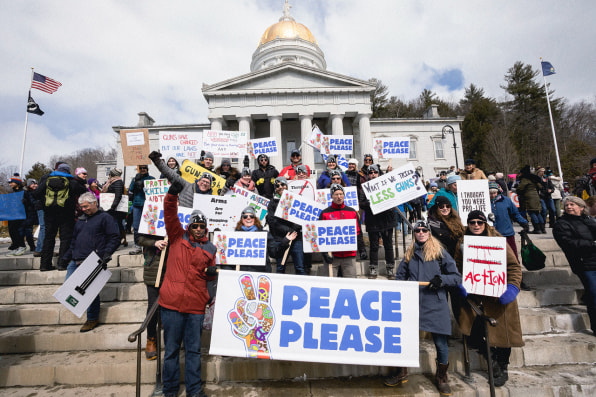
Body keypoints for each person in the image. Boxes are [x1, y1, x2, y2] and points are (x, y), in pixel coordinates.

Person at [385, 220, 461, 395]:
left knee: (441, 343)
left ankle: (442, 376)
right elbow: (400, 277)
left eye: (424, 230)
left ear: (429, 232)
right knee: (404, 339)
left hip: (435, 302)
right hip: (413, 302)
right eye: (417, 230)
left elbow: (456, 277)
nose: (420, 232)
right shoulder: (409, 253)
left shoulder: (440, 252)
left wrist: (441, 279)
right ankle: (401, 371)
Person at [159, 180, 216, 397]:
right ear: (189, 226)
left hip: (195, 307)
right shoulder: (176, 236)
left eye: (202, 226)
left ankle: (194, 390)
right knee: (172, 351)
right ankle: (170, 391)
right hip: (171, 304)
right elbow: (169, 213)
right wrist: (172, 194)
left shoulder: (211, 248)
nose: (199, 229)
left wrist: (212, 273)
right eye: (195, 226)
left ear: (206, 228)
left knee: (193, 351)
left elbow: (210, 277)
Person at [454, 210, 524, 387]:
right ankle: (491, 359)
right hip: (475, 295)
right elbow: (456, 267)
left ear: (485, 224)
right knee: (475, 332)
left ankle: (503, 365)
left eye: (479, 222)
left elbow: (514, 266)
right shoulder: (462, 243)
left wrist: (513, 287)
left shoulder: (499, 241)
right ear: (468, 224)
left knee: (503, 332)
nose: (476, 225)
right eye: (472, 222)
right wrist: (460, 284)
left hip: (497, 294)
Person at [62, 192, 120, 332]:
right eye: (82, 207)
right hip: (76, 259)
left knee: (89, 291)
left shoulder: (105, 217)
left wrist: (106, 253)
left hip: (93, 260)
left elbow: (114, 237)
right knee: (69, 287)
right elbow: (74, 240)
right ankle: (82, 310)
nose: (84, 209)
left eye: (86, 206)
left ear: (94, 203)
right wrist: (66, 256)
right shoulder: (81, 220)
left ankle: (92, 318)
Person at [553, 196, 596, 337]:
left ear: (581, 207)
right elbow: (568, 244)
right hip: (584, 263)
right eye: (567, 205)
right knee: (594, 294)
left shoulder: (589, 220)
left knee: (592, 294)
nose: (569, 207)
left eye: (572, 204)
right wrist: (592, 244)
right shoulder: (561, 224)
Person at [33, 163, 87, 271]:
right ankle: (62, 264)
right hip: (66, 214)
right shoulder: (71, 182)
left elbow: (36, 194)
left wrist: (45, 202)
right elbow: (84, 191)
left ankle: (44, 265)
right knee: (65, 239)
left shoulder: (47, 180)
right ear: (67, 171)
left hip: (49, 214)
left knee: (48, 238)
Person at [225, 206, 296, 273]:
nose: (248, 218)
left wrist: (285, 241)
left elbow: (275, 253)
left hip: (261, 273)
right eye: (245, 216)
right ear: (242, 219)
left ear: (255, 219)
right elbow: (228, 259)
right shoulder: (234, 236)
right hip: (241, 274)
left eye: (251, 216)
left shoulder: (265, 235)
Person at [359, 164, 396, 279]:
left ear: (378, 173)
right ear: (368, 175)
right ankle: (373, 268)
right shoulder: (365, 187)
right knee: (374, 245)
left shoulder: (386, 184)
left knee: (388, 245)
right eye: (370, 173)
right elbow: (361, 203)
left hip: (386, 220)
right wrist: (369, 203)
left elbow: (394, 197)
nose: (373, 175)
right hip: (373, 220)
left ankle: (390, 268)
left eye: (375, 172)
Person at [266, 177, 308, 275]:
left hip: (296, 239)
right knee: (280, 268)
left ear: (287, 186)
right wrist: (289, 231)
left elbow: (301, 217)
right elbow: (273, 222)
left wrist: (294, 230)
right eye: (277, 185)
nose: (280, 187)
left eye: (283, 184)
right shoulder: (272, 203)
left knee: (300, 267)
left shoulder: (296, 200)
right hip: (281, 239)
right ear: (275, 188)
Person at [318, 184, 361, 278]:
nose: (339, 197)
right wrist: (324, 254)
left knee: (350, 284)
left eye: (341, 194)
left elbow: (358, 232)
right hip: (332, 256)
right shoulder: (325, 213)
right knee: (330, 285)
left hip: (349, 256)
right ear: (331, 196)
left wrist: (361, 249)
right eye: (336, 194)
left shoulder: (352, 212)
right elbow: (320, 235)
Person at [137, 233, 168, 360]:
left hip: (172, 268)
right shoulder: (151, 215)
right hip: (154, 269)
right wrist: (154, 243)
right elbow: (139, 239)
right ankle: (151, 338)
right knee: (152, 307)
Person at [489, 181, 529, 262]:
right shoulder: (485, 203)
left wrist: (523, 222)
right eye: (490, 193)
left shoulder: (506, 201)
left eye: (494, 193)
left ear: (498, 191)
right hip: (492, 235)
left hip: (507, 233)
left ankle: (516, 273)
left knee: (512, 257)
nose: (493, 195)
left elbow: (515, 214)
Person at [128, 165, 155, 253]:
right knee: (136, 227)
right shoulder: (135, 179)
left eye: (144, 168)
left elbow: (155, 190)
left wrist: (144, 186)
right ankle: (138, 246)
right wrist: (135, 181)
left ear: (147, 169)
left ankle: (149, 244)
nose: (143, 169)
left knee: (149, 226)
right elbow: (130, 190)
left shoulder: (152, 178)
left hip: (149, 205)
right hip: (137, 205)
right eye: (141, 168)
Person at [101, 168, 128, 248]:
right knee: (117, 225)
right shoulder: (113, 182)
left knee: (115, 226)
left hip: (115, 210)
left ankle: (116, 243)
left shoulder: (118, 182)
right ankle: (119, 241)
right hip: (114, 209)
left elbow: (118, 196)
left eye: (110, 173)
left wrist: (112, 207)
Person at [516, 165, 544, 234]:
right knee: (537, 212)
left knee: (532, 212)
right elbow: (540, 186)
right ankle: (542, 228)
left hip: (529, 197)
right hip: (536, 196)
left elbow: (520, 188)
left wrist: (519, 190)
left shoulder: (525, 179)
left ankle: (537, 229)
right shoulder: (534, 178)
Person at [6, 175, 27, 256]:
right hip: (12, 215)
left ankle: (22, 246)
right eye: (9, 183)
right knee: (12, 231)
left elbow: (30, 203)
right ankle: (16, 247)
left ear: (17, 183)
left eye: (12, 182)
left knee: (19, 231)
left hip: (21, 215)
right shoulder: (12, 193)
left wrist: (25, 201)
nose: (10, 184)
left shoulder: (24, 192)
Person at [22, 178, 39, 253]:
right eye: (33, 184)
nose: (35, 185)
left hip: (31, 214)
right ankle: (27, 246)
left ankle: (32, 246)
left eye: (36, 184)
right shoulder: (26, 193)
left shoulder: (36, 192)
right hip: (27, 214)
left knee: (28, 231)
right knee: (25, 231)